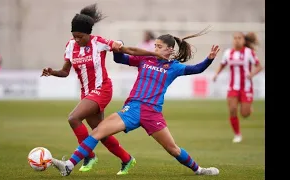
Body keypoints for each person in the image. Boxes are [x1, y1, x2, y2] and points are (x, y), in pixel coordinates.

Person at [51, 28, 221, 176]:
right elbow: (119, 59)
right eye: (155, 46)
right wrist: (118, 45)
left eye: (159, 47)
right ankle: (68, 166)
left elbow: (197, 69)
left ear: (169, 49)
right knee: (97, 132)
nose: (155, 49)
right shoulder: (145, 59)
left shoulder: (174, 67)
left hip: (152, 112)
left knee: (173, 149)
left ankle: (199, 170)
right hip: (131, 109)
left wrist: (210, 59)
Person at [41, 4, 166, 174]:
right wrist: (52, 72)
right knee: (100, 132)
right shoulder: (70, 45)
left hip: (102, 89)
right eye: (74, 36)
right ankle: (127, 159)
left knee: (73, 118)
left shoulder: (98, 42)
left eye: (80, 37)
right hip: (86, 93)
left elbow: (128, 49)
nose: (77, 40)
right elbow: (65, 71)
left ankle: (89, 156)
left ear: (88, 33)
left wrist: (154, 54)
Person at [212, 32, 263, 143]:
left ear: (244, 40)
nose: (237, 40)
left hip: (246, 87)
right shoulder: (228, 53)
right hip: (233, 87)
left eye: (239, 38)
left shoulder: (249, 53)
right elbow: (222, 64)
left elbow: (259, 66)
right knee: (233, 109)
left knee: (245, 114)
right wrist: (216, 74)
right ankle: (237, 134)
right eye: (235, 38)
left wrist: (252, 74)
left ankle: (248, 108)